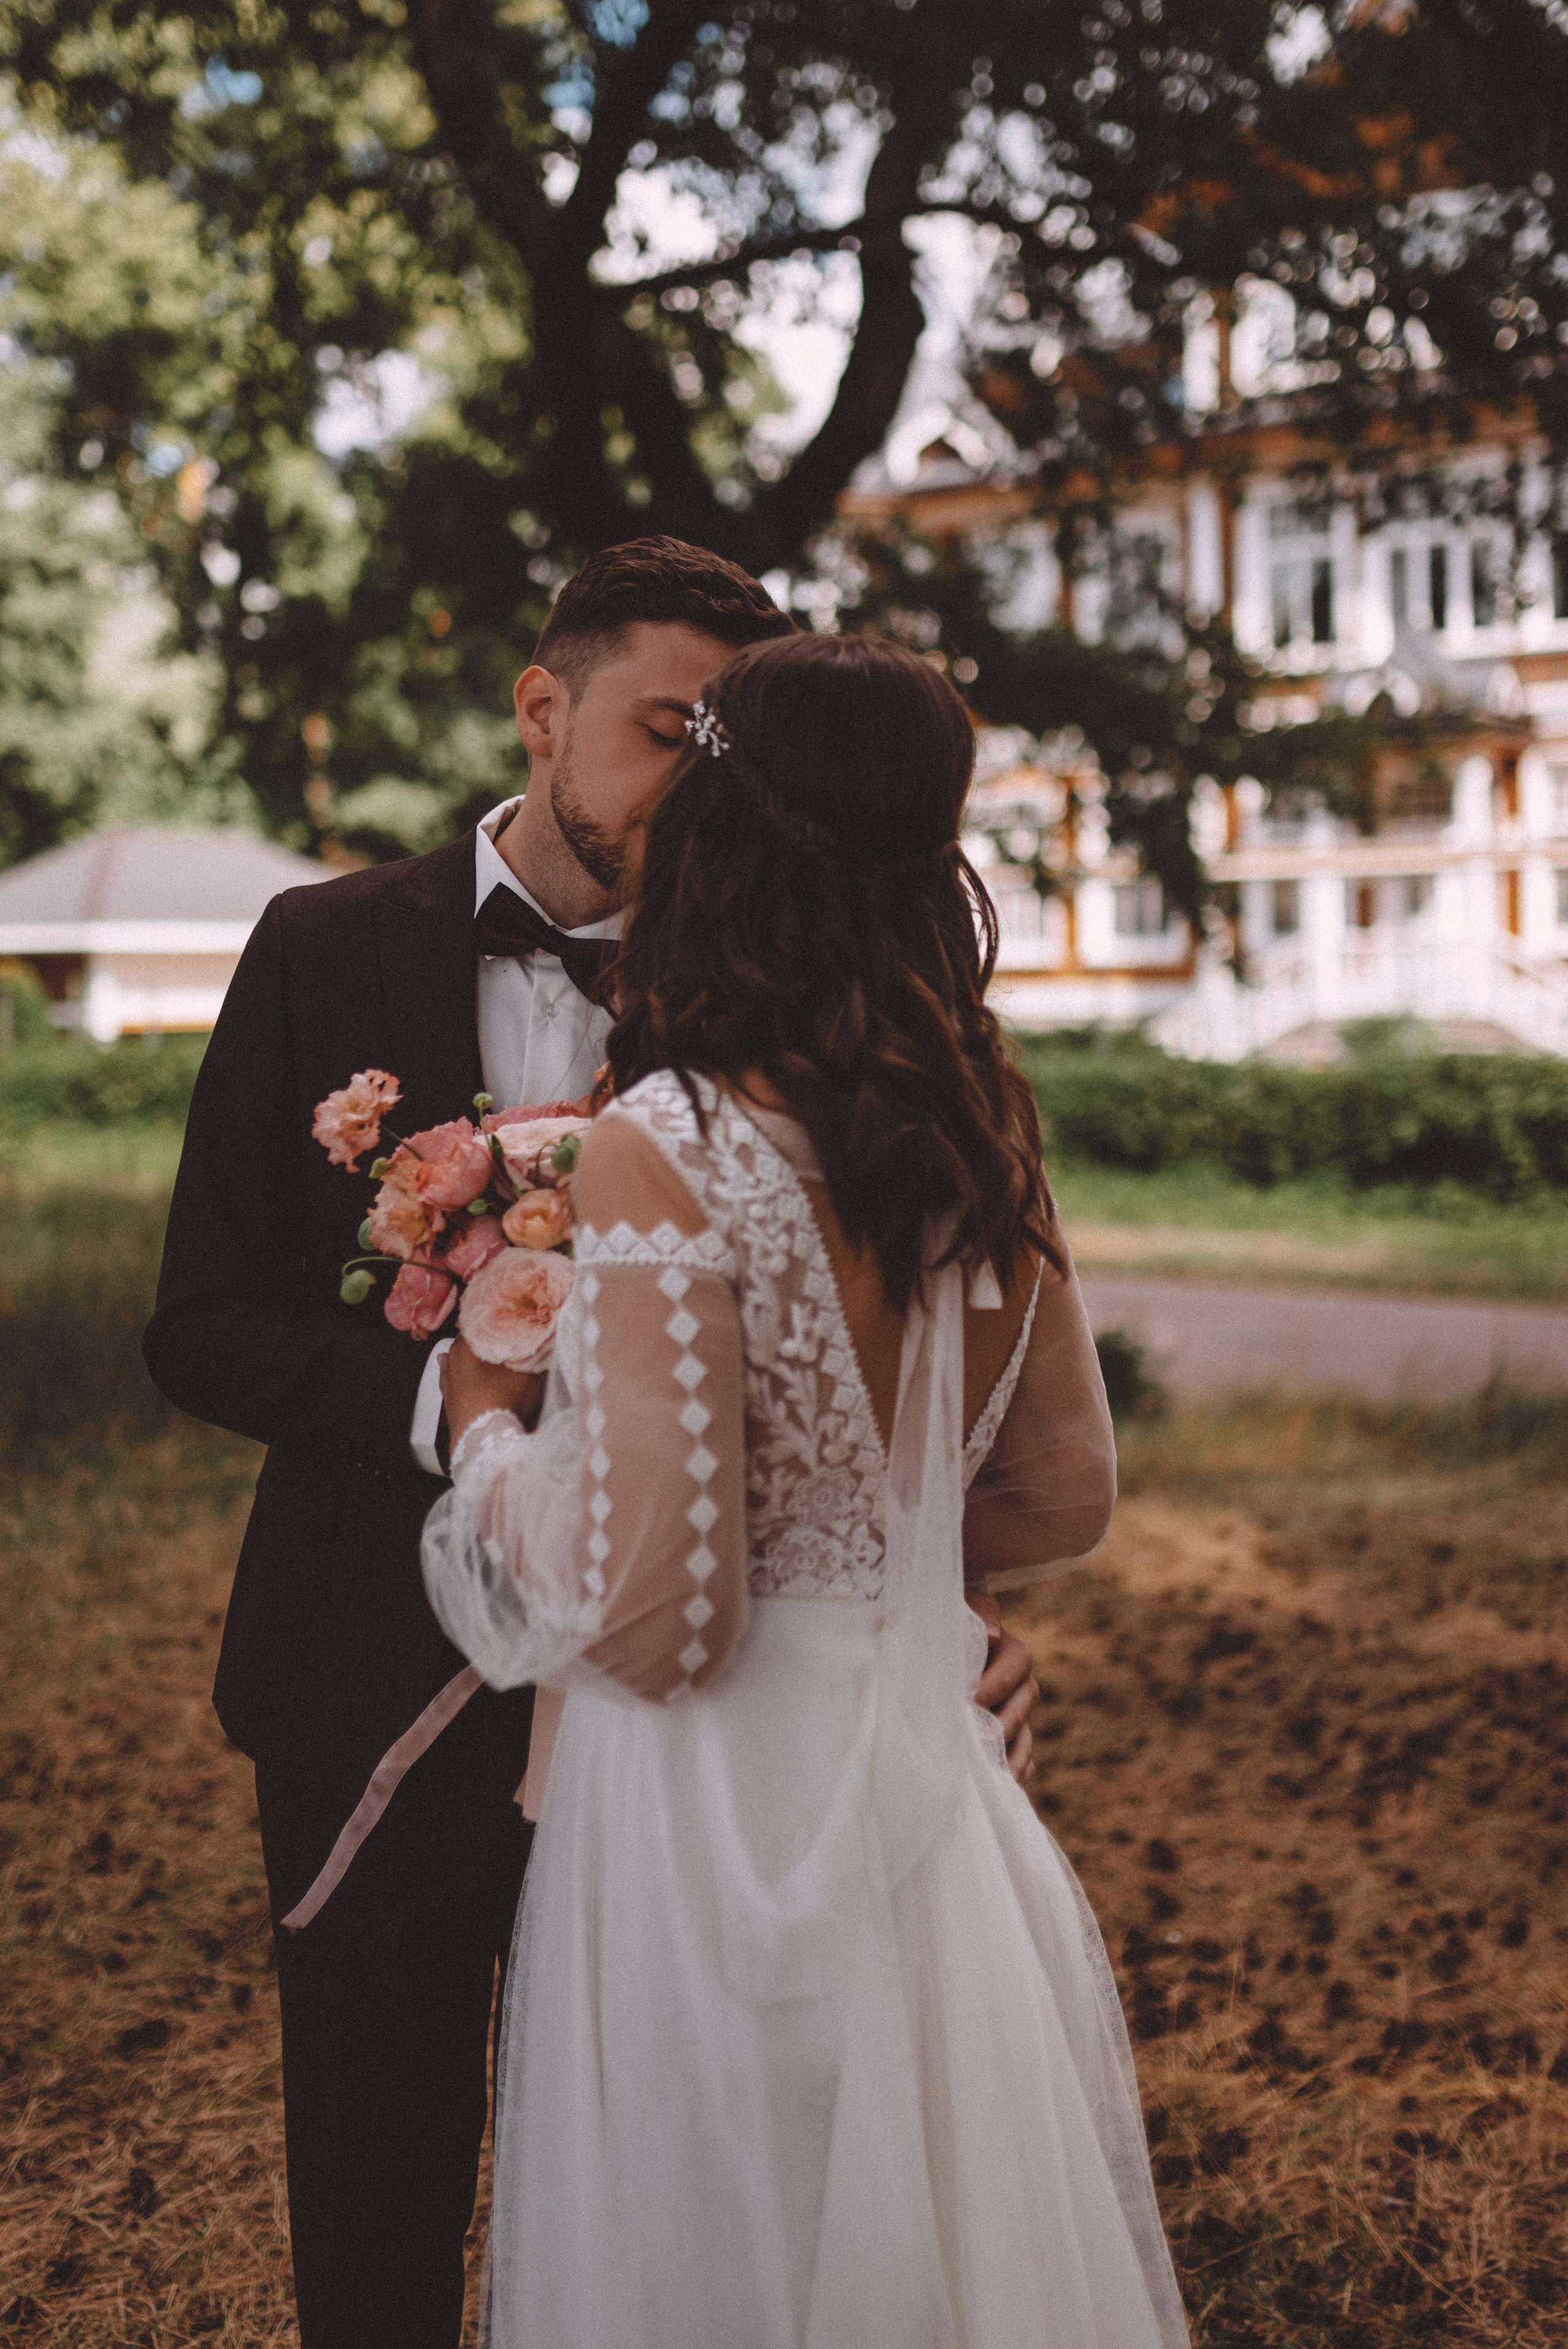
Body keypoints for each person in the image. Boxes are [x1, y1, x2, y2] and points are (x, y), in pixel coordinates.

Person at [143, 539, 1042, 2348]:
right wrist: (460, 1401)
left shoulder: (784, 1008)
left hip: (677, 1731)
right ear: (542, 708)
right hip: (369, 1657)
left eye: (731, 750)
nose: (703, 790)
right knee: (376, 2186)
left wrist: (932, 1602)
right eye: (665, 731)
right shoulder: (321, 944)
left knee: (683, 2188)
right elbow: (203, 1317)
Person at [424, 632, 1191, 2347]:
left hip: (715, 1812)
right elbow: (1064, 1492)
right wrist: (870, 1543)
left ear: (729, 835)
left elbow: (661, 1613)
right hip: (922, 1767)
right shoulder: (981, 1113)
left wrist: (486, 1429)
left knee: (719, 2248)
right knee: (929, 2243)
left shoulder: (668, 1140)